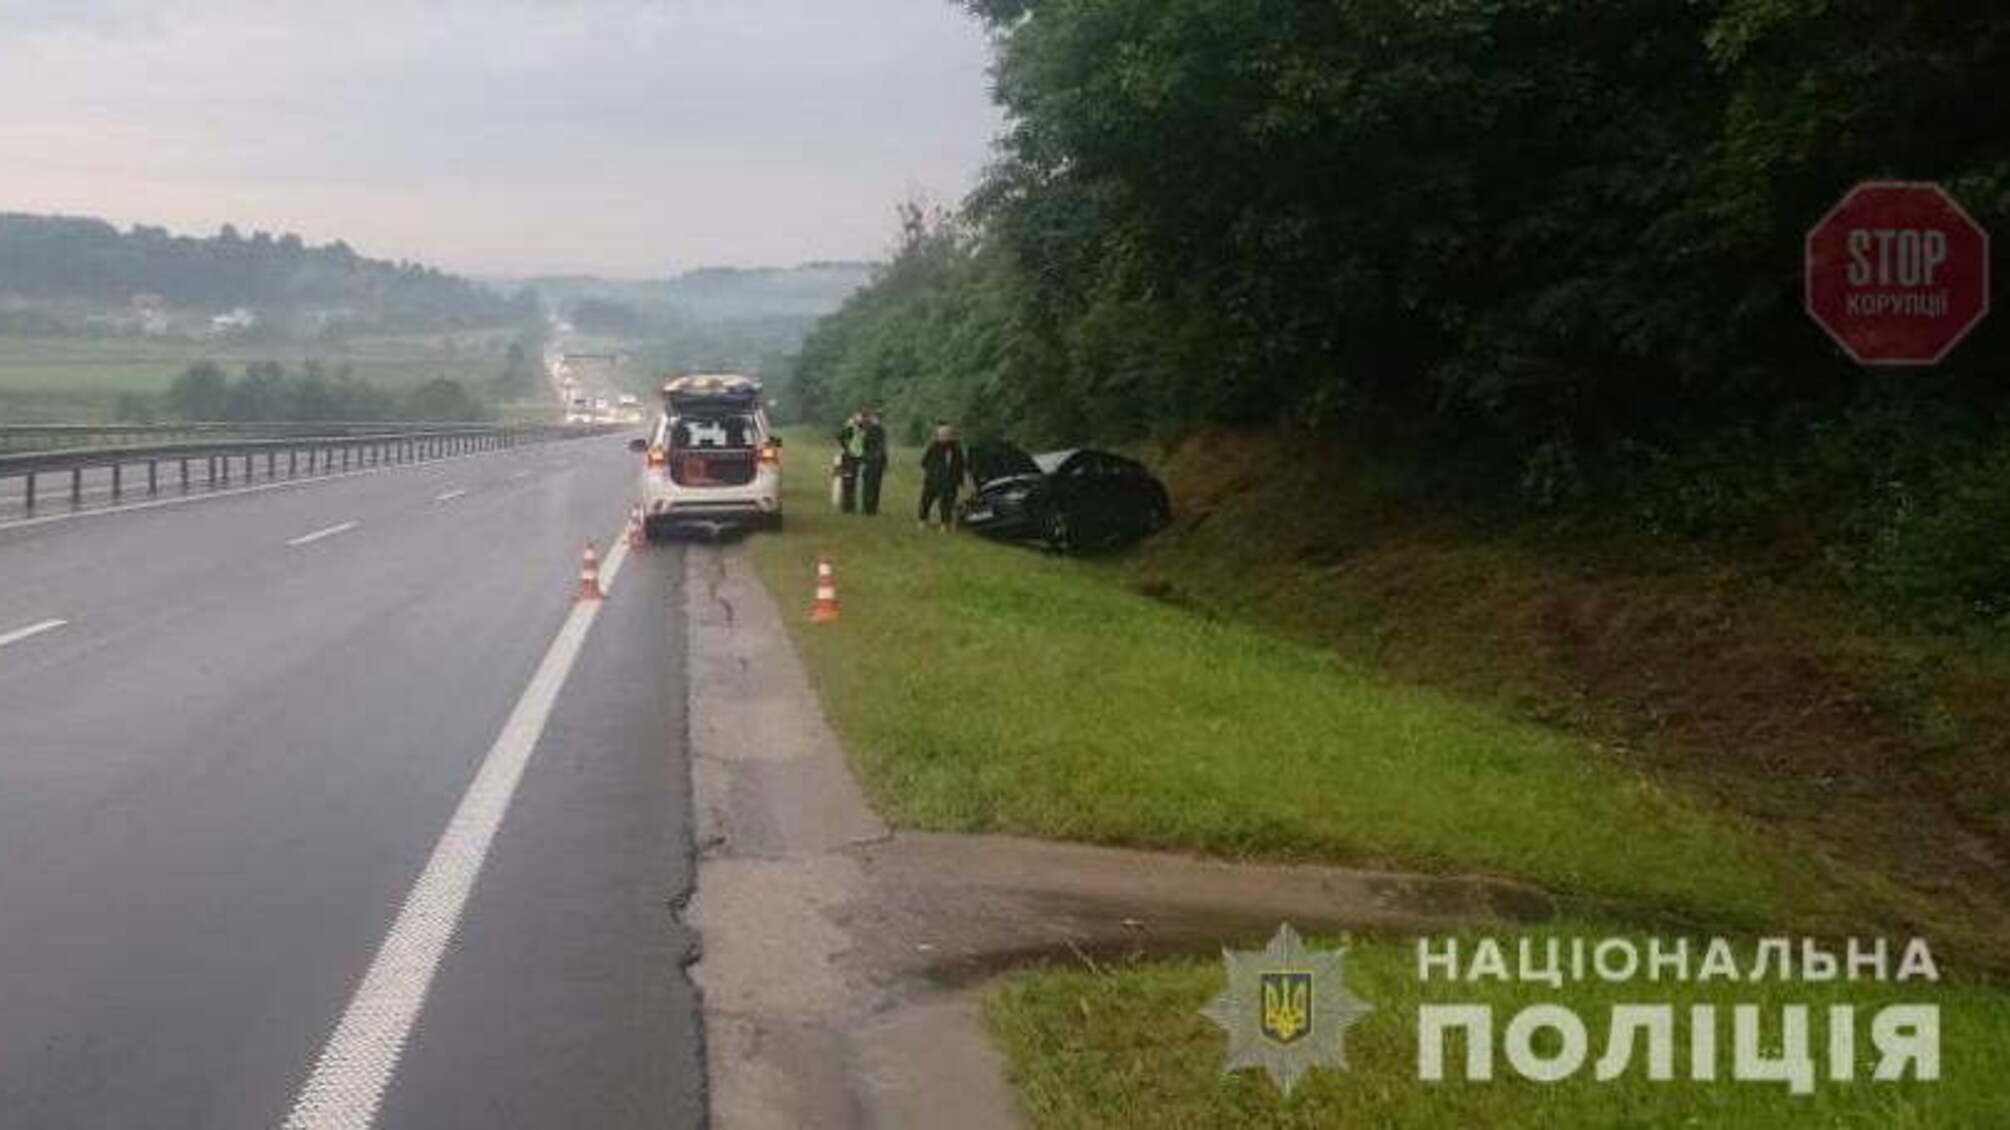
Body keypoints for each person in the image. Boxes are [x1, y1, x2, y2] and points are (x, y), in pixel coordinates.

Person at [918, 422, 967, 530]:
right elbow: (924, 462)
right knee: (926, 500)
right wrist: (931, 474)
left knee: (947, 503)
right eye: (940, 435)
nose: (942, 437)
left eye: (945, 435)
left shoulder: (956, 449)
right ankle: (923, 520)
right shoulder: (934, 447)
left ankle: (944, 524)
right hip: (933, 479)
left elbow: (960, 466)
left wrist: (960, 481)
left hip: (949, 481)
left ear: (951, 436)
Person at [857, 410, 889, 516]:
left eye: (877, 418)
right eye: (874, 418)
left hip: (875, 462)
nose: (875, 420)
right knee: (868, 485)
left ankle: (872, 508)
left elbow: (882, 448)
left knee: (875, 486)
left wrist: (883, 462)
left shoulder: (879, 430)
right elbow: (864, 446)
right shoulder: (869, 429)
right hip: (870, 461)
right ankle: (867, 508)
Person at [833, 411, 865, 513]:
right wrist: (844, 447)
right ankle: (846, 506)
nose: (859, 420)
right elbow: (839, 437)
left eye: (860, 418)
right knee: (847, 481)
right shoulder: (848, 429)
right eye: (857, 418)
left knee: (853, 482)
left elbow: (862, 441)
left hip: (856, 458)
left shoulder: (860, 429)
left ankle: (851, 505)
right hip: (847, 458)